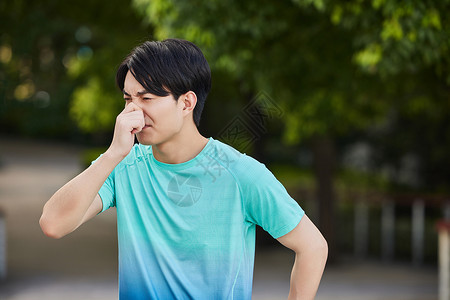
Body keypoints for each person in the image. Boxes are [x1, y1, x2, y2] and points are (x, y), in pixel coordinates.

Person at [39, 38, 328, 299]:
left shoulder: (240, 174)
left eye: (146, 98)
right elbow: (53, 224)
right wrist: (113, 153)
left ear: (187, 102)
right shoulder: (123, 166)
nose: (132, 112)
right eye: (128, 99)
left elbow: (313, 247)